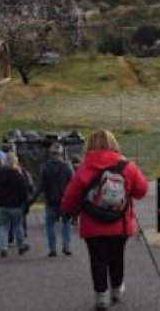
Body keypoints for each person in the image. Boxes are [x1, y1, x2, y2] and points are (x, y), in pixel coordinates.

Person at [61, 129, 148, 310]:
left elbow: (70, 197)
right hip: (120, 224)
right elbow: (142, 191)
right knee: (117, 257)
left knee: (97, 261)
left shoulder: (85, 167)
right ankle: (117, 289)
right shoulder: (126, 166)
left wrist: (68, 211)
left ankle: (101, 296)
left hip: (93, 226)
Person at [38, 142, 75, 257]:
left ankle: (52, 248)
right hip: (64, 200)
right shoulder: (67, 167)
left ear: (50, 154)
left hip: (50, 200)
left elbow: (41, 185)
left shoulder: (45, 167)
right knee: (66, 223)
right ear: (61, 154)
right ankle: (66, 246)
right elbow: (73, 184)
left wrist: (33, 199)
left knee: (50, 225)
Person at [0, 153, 30, 257]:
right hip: (16, 205)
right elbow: (24, 192)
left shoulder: (0, 175)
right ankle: (21, 245)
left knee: (3, 227)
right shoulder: (19, 176)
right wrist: (25, 205)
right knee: (18, 226)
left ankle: (3, 247)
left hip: (2, 205)